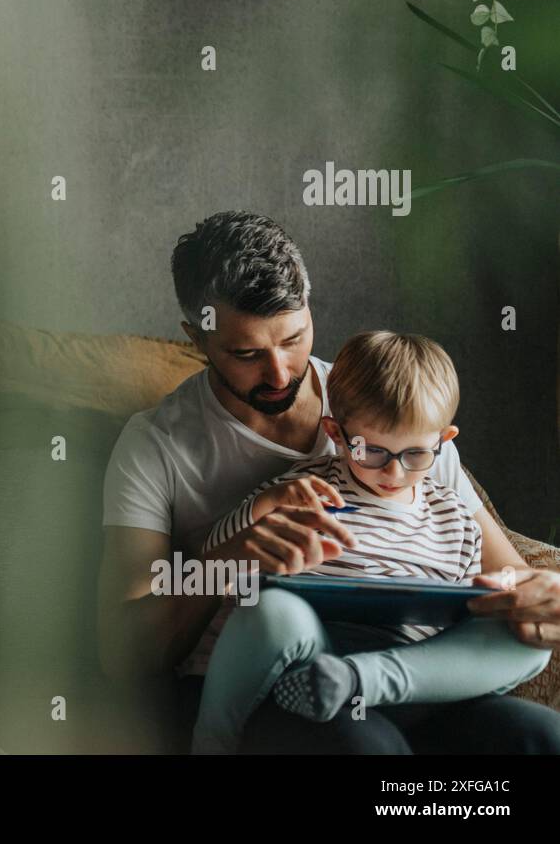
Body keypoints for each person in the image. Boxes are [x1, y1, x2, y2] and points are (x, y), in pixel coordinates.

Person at [97, 211, 560, 754]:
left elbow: (511, 574)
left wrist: (542, 598)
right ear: (196, 337)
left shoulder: (389, 402)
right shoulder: (155, 444)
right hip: (279, 673)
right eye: (246, 354)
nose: (279, 373)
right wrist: (231, 558)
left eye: (293, 339)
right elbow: (124, 654)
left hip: (408, 675)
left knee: (538, 737)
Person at [190, 331, 549, 753]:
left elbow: (465, 620)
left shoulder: (456, 520)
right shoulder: (304, 492)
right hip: (314, 664)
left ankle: (362, 678)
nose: (393, 473)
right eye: (372, 451)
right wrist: (265, 507)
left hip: (412, 676)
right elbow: (217, 557)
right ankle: (213, 741)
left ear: (444, 440)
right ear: (336, 433)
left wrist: (494, 601)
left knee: (527, 634)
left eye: (415, 455)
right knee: (270, 610)